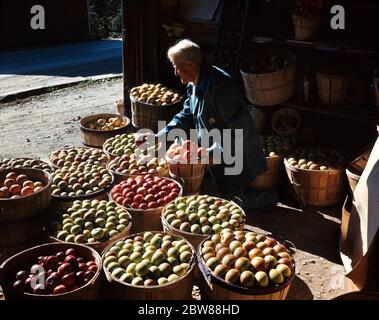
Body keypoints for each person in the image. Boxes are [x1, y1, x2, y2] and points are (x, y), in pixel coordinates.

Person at [143, 39, 278, 211]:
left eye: (176, 66)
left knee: (237, 201)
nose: (175, 72)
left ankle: (269, 199)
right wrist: (160, 136)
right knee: (222, 193)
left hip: (236, 151)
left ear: (190, 65)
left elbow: (239, 128)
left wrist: (217, 152)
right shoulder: (194, 83)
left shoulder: (219, 86)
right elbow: (186, 115)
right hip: (216, 149)